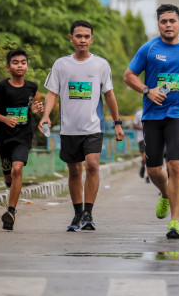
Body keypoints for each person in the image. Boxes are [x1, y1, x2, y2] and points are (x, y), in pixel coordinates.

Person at [124, 4, 179, 240]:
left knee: (176, 165)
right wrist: (147, 90)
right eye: (163, 21)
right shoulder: (148, 49)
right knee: (154, 170)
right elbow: (129, 76)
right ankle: (165, 194)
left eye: (172, 21)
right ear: (158, 25)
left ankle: (175, 222)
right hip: (152, 115)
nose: (168, 25)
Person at [40, 20, 124, 232]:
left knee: (93, 165)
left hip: (93, 128)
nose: (83, 40)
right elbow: (52, 93)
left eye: (87, 36)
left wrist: (117, 123)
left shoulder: (101, 65)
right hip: (69, 129)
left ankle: (88, 212)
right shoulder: (61, 64)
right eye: (78, 36)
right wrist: (45, 116)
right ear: (71, 39)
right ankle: (78, 214)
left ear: (92, 39)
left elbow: (109, 94)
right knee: (75, 171)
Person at [0, 49, 44, 230]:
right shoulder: (0, 88)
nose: (20, 65)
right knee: (9, 179)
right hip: (5, 138)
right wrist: (4, 119)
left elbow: (30, 108)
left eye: (23, 62)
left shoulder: (32, 87)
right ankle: (11, 193)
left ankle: (11, 211)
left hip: (23, 136)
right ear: (8, 67)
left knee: (17, 168)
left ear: (27, 66)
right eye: (15, 62)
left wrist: (35, 112)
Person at [133, 108, 149, 183]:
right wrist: (143, 128)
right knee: (144, 159)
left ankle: (147, 176)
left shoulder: (153, 112)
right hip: (141, 138)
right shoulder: (139, 113)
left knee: (150, 159)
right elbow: (134, 125)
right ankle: (143, 167)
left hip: (151, 138)